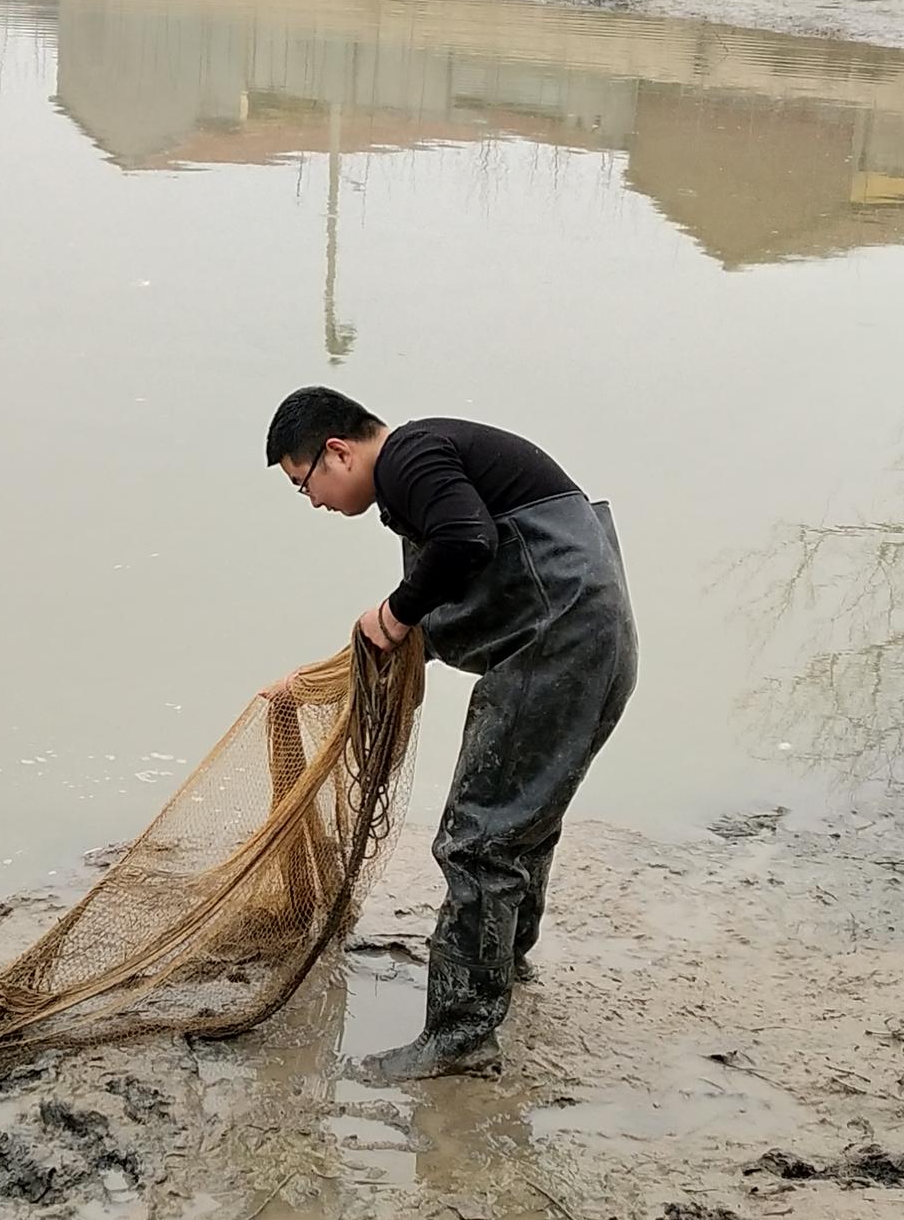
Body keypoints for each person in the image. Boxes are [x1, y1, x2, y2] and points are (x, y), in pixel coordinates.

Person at [264, 387, 639, 1081]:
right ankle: (504, 962)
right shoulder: (429, 472)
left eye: (303, 482)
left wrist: (398, 611)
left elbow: (468, 543)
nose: (312, 500)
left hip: (557, 651)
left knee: (479, 838)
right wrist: (327, 674)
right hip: (593, 646)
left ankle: (461, 1034)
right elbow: (456, 598)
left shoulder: (411, 456)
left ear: (337, 451)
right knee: (523, 824)